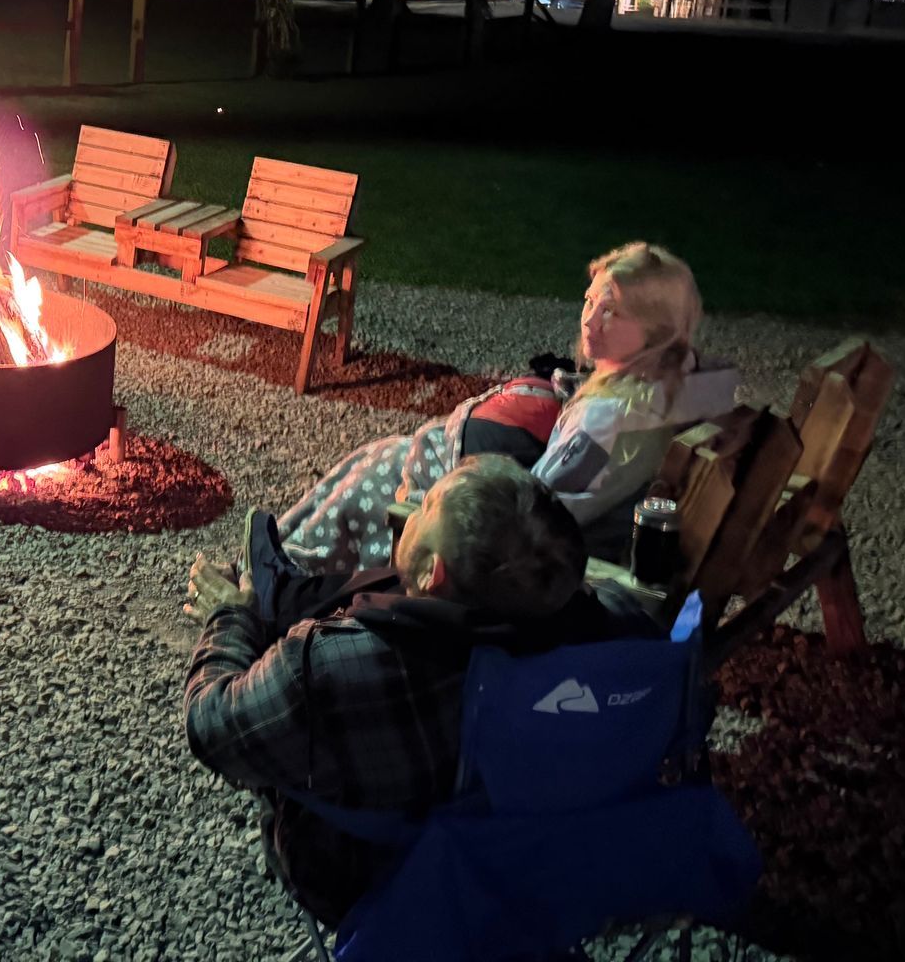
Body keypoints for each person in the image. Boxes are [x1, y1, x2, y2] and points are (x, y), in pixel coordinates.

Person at [184, 455, 652, 925]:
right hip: (535, 868)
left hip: (375, 879)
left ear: (431, 573)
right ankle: (286, 593)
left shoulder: (330, 666)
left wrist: (230, 617)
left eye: (427, 506)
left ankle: (266, 601)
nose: (411, 508)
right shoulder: (617, 632)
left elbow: (210, 726)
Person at [272, 241, 739, 571]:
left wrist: (452, 485)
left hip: (500, 544)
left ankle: (285, 572)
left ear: (656, 329)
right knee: (373, 459)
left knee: (372, 478)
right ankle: (278, 552)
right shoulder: (686, 380)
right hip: (552, 516)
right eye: (589, 300)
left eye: (612, 310)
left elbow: (527, 513)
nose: (590, 320)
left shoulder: (607, 423)